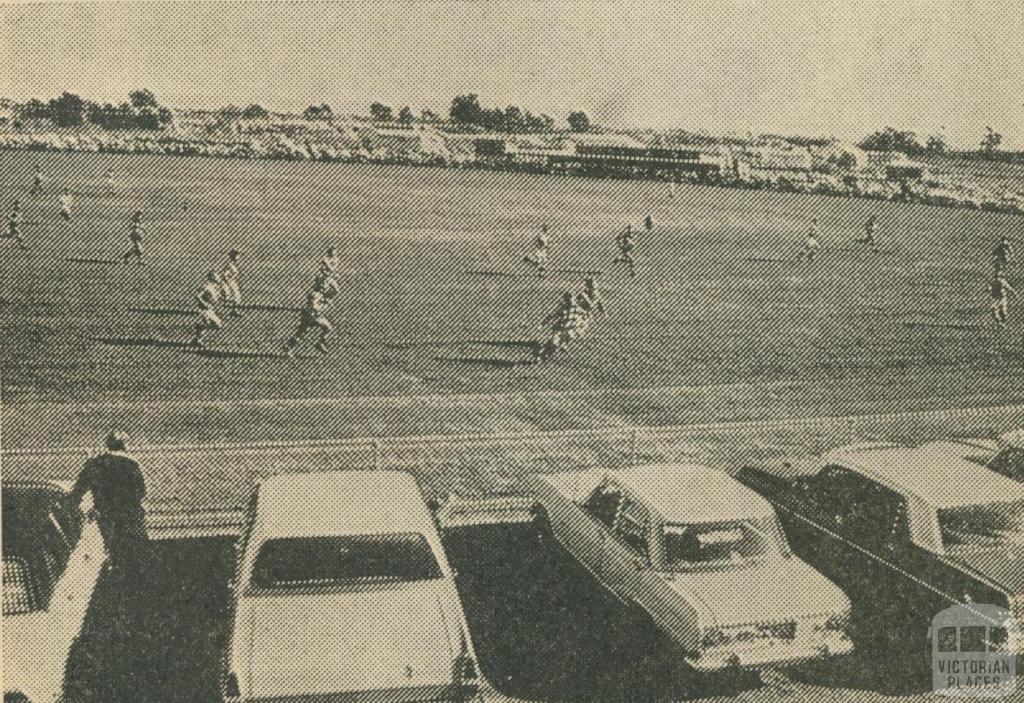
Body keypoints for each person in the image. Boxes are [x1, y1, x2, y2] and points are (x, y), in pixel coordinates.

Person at [70, 431, 149, 572]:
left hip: (105, 515)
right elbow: (141, 492)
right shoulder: (132, 465)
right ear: (125, 446)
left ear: (108, 444)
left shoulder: (95, 463)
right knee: (133, 553)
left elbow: (78, 491)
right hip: (130, 515)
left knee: (109, 548)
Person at [536, 291, 587, 362]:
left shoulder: (577, 308)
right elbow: (551, 316)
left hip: (570, 330)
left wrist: (582, 327)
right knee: (553, 343)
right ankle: (541, 356)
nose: (570, 301)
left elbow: (584, 316)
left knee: (556, 347)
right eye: (567, 299)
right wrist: (542, 324)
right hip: (560, 329)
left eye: (571, 299)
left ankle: (548, 353)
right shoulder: (562, 308)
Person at [285, 282, 334, 356]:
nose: (326, 288)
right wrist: (324, 305)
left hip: (309, 315)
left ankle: (289, 347)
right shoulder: (315, 295)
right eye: (325, 286)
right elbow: (314, 306)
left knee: (302, 332)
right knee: (327, 328)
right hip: (312, 316)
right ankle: (320, 343)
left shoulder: (319, 294)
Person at [190, 271, 224, 348]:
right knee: (217, 324)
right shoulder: (206, 287)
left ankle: (197, 338)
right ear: (212, 277)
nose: (218, 277)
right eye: (216, 276)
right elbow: (197, 296)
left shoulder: (216, 287)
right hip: (204, 310)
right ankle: (198, 336)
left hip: (210, 310)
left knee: (213, 324)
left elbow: (215, 298)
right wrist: (205, 304)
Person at [220, 249, 242, 317]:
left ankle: (234, 311)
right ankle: (230, 311)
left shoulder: (233, 264)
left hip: (232, 282)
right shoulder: (230, 265)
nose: (239, 257)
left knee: (237, 296)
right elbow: (225, 274)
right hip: (230, 282)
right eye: (237, 255)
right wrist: (228, 283)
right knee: (231, 297)